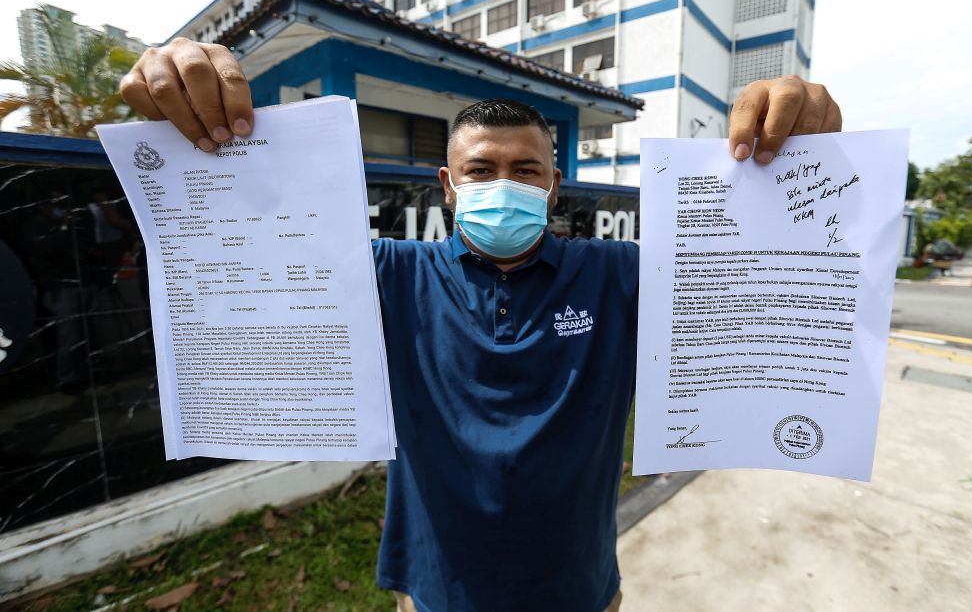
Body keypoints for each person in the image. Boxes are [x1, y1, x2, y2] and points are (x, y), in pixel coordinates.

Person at [120, 38, 842, 612]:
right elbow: (246, 241)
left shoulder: (621, 275)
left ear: (554, 186)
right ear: (448, 185)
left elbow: (758, 271)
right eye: (481, 169)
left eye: (526, 170)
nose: (504, 184)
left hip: (579, 589)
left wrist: (794, 157)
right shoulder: (385, 275)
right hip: (435, 590)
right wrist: (187, 118)